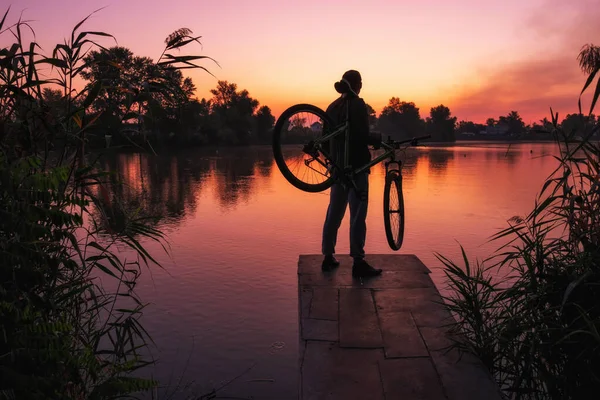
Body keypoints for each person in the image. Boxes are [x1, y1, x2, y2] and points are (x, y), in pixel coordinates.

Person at [321, 70, 382, 277]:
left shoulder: (332, 106)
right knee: (357, 215)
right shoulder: (357, 104)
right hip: (357, 168)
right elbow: (361, 135)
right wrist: (376, 138)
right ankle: (358, 261)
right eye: (361, 82)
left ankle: (328, 257)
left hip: (338, 169)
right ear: (357, 84)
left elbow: (325, 139)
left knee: (334, 213)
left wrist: (332, 162)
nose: (362, 85)